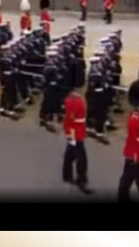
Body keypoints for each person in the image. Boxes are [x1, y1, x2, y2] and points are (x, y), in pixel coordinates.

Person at [62, 60, 92, 194]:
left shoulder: (74, 99)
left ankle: (67, 175)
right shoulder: (74, 101)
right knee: (81, 158)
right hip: (75, 132)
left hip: (77, 130)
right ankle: (82, 180)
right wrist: (71, 135)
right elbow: (70, 120)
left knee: (70, 154)